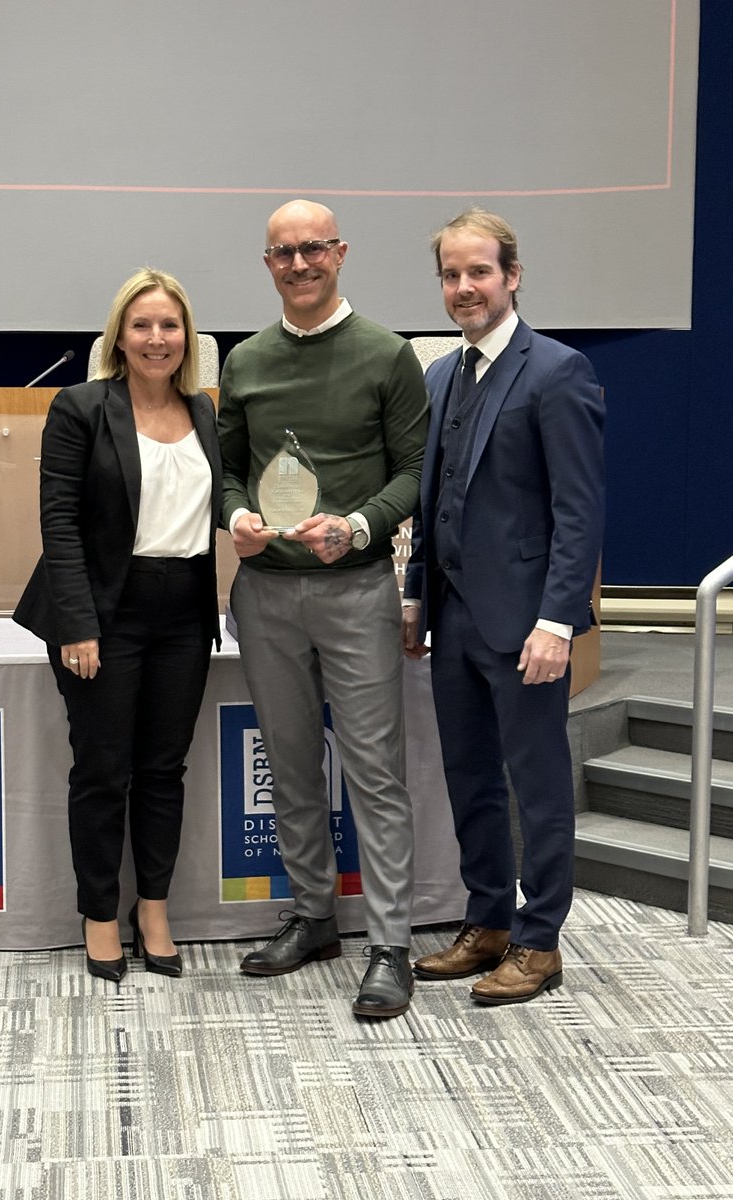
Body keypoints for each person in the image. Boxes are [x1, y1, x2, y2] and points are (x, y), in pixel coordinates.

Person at [217, 199, 429, 1019]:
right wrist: (235, 516)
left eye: (313, 249)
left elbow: (414, 470)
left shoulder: (388, 355)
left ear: (340, 253)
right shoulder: (246, 360)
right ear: (266, 263)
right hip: (265, 591)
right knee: (292, 761)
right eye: (282, 253)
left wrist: (361, 524)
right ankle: (313, 917)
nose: (299, 264)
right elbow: (227, 467)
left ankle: (390, 944)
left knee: (374, 772)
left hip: (356, 589)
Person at [403, 208, 605, 1005]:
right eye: (451, 275)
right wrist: (417, 597)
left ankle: (539, 940)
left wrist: (558, 621)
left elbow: (579, 511)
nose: (464, 288)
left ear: (512, 276)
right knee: (470, 780)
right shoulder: (439, 376)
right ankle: (485, 921)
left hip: (527, 627)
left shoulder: (558, 371)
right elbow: (432, 501)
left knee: (540, 782)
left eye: (478, 272)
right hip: (453, 620)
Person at [14, 268, 221, 982]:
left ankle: (153, 909)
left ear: (187, 336)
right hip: (103, 612)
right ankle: (100, 914)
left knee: (164, 771)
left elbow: (208, 509)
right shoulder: (80, 407)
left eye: (170, 325)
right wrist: (76, 624)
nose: (157, 338)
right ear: (119, 336)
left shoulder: (204, 413)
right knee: (103, 773)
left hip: (185, 611)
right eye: (142, 325)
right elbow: (60, 523)